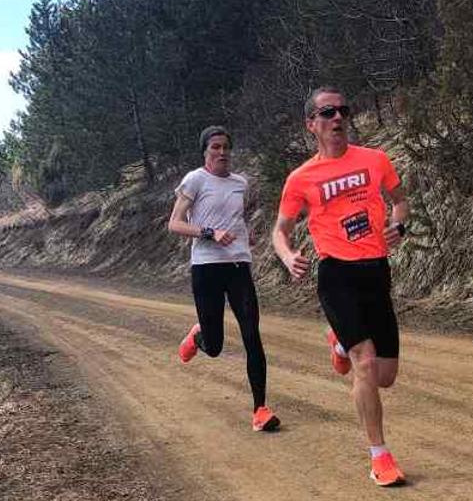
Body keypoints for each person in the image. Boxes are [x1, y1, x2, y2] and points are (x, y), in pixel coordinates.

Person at [272, 87, 409, 486]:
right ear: (311, 125)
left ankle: (337, 341)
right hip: (337, 274)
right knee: (363, 362)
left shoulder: (375, 160)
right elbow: (280, 230)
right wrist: (286, 256)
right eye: (327, 113)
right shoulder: (301, 178)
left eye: (342, 111)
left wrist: (400, 224)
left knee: (385, 376)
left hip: (376, 271)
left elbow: (400, 201)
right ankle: (380, 456)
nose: (337, 119)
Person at [168, 125, 280, 433]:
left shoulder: (240, 183)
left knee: (251, 335)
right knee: (215, 346)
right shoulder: (194, 180)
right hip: (206, 267)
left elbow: (236, 217)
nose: (222, 152)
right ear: (205, 151)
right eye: (215, 147)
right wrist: (210, 233)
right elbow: (175, 224)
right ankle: (198, 337)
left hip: (238, 265)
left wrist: (247, 236)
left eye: (226, 147)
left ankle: (260, 409)